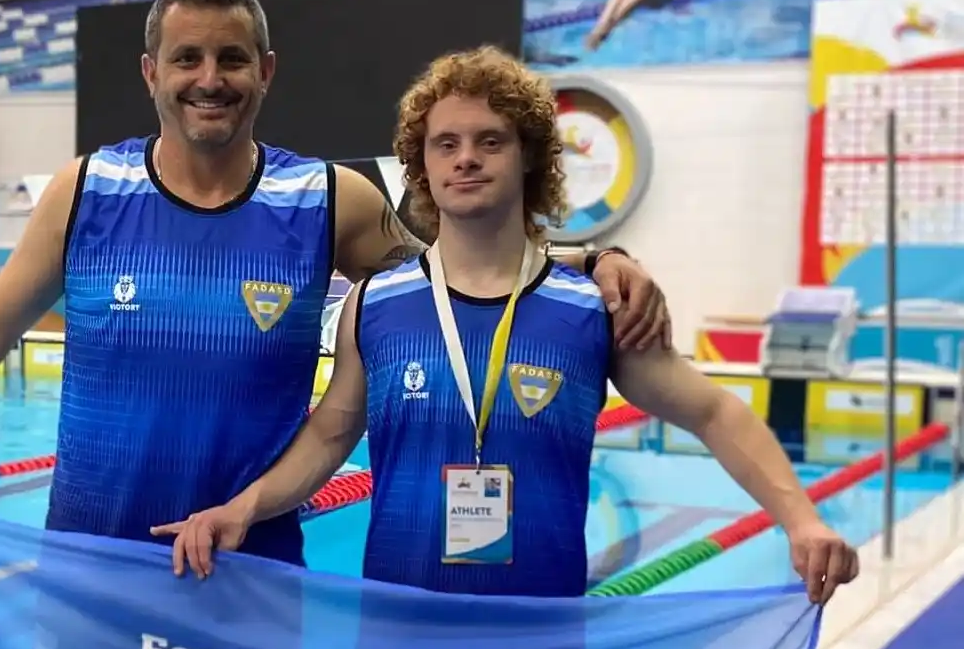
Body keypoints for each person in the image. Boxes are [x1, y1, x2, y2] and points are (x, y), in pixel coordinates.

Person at [0, 0, 670, 649]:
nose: (210, 79)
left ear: (265, 72)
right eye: (188, 58)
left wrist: (591, 260)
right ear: (150, 73)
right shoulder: (87, 190)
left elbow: (464, 276)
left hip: (248, 574)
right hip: (91, 571)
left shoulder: (325, 200)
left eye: (232, 58)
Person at [154, 45, 858, 606]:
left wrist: (801, 519)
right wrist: (239, 509)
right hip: (400, 632)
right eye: (446, 143)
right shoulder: (375, 305)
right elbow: (327, 439)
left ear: (529, 156)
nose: (466, 158)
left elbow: (714, 411)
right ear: (421, 168)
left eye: (490, 140)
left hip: (538, 642)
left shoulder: (590, 308)